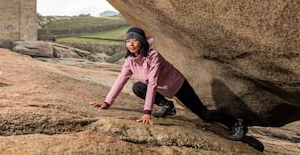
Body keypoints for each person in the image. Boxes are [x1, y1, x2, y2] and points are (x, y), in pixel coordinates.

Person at [90, 27, 247, 140]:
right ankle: (167, 106)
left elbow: (152, 82)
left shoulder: (154, 56)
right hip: (160, 88)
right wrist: (107, 101)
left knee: (204, 115)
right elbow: (121, 79)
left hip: (177, 84)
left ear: (142, 42)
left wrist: (147, 111)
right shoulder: (130, 60)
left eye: (135, 40)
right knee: (137, 87)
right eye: (128, 41)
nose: (131, 44)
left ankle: (236, 122)